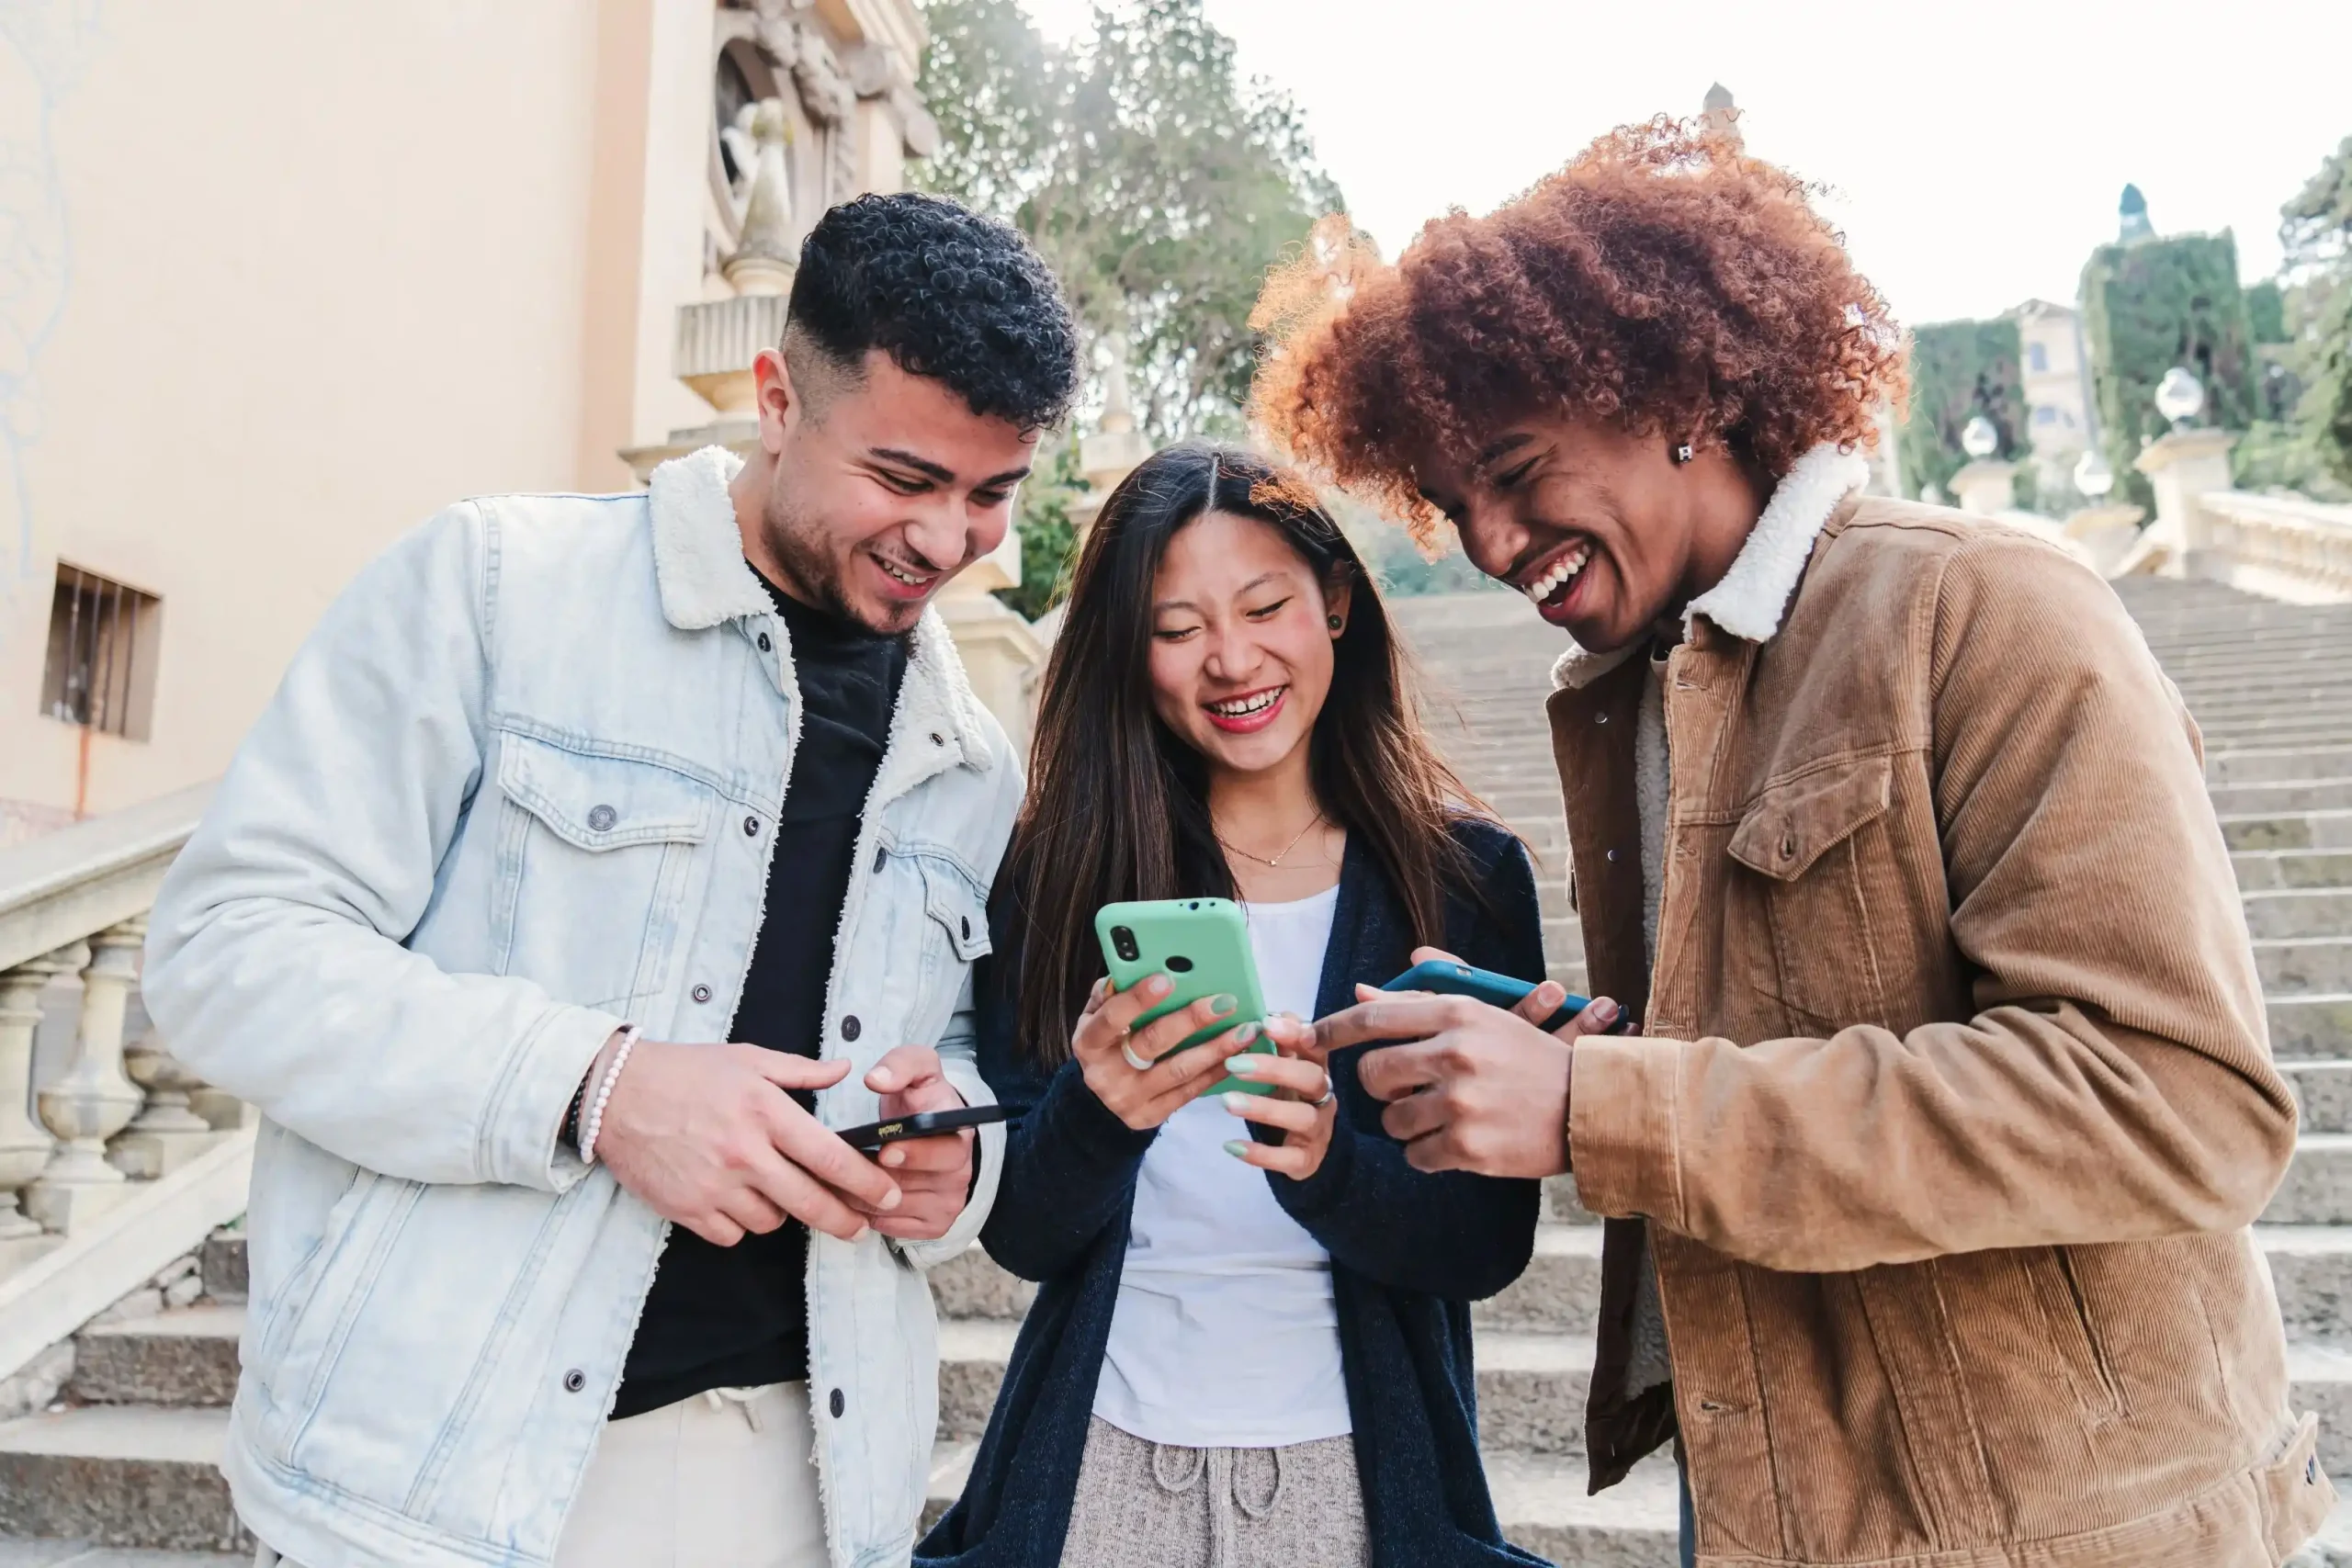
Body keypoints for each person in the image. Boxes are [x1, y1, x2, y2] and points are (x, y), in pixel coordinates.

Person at [1250, 119, 2333, 1567]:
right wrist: (1583, 1043)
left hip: (2069, 1523)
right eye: (1457, 506)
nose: (1492, 544)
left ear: (1685, 390)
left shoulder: (1988, 607)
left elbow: (2176, 1095)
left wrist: (1600, 1106)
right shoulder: (1629, 693)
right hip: (1774, 1499)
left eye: (1516, 472)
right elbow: (1783, 1045)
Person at [139, 192, 1080, 1568]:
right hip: (436, 1483)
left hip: (806, 1485)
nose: (948, 539)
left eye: (991, 493)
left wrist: (955, 1158)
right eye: (904, 477)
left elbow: (933, 1048)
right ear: (775, 397)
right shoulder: (495, 586)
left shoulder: (974, 762)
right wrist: (600, 1084)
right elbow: (228, 950)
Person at [918, 444, 1555, 1568]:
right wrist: (1099, 1109)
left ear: (1337, 605)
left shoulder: (1463, 879)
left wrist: (1327, 1167)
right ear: (1129, 654)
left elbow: (1483, 1247)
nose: (1231, 660)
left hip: (1349, 1467)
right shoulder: (1058, 874)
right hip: (1098, 1459)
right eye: (1176, 630)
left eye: (1265, 606)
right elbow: (1020, 1236)